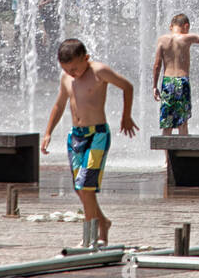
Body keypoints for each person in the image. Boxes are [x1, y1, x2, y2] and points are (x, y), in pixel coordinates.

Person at [41, 38, 137, 247]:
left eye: (74, 68)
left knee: (86, 186)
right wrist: (48, 132)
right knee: (81, 188)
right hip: (76, 137)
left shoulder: (99, 71)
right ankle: (103, 223)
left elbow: (127, 87)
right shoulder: (66, 79)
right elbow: (59, 105)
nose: (71, 73)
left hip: (97, 136)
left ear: (86, 58)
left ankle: (90, 237)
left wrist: (126, 116)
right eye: (66, 69)